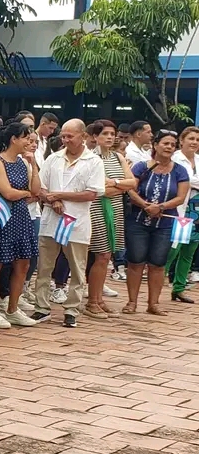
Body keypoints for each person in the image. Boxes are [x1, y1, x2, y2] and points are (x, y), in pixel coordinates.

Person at [29, 119, 104, 328]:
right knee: (44, 267)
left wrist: (59, 195)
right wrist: (52, 200)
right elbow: (40, 188)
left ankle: (71, 309)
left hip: (76, 222)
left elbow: (92, 193)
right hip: (51, 220)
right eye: (63, 136)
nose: (65, 140)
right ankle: (41, 307)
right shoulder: (53, 159)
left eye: (70, 136)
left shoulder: (93, 162)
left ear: (83, 137)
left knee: (77, 269)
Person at [124, 129, 189, 316]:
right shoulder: (141, 167)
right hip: (137, 220)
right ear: (155, 145)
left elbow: (181, 197)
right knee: (135, 261)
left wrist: (160, 207)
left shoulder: (179, 170)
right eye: (165, 143)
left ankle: (154, 303)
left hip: (165, 223)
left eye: (172, 144)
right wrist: (145, 205)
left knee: (158, 263)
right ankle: (131, 302)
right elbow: (131, 189)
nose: (169, 147)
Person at [0, 122, 41, 329]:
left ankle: (13, 308)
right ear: (13, 139)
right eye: (26, 137)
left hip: (22, 215)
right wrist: (28, 194)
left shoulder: (22, 162)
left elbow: (36, 188)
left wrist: (33, 165)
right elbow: (7, 192)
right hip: (3, 215)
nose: (29, 142)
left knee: (23, 262)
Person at [83, 120, 134, 318]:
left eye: (112, 134)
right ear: (95, 137)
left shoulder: (118, 157)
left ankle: (99, 299)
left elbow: (131, 182)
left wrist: (114, 183)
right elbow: (96, 189)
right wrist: (114, 189)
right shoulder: (89, 157)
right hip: (95, 209)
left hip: (115, 209)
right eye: (105, 133)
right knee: (100, 254)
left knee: (107, 255)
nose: (110, 137)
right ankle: (92, 301)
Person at [167, 126, 199, 303]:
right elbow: (185, 181)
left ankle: (179, 288)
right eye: (191, 138)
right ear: (182, 140)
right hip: (181, 211)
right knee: (172, 250)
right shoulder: (175, 159)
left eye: (197, 140)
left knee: (190, 250)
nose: (194, 142)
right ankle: (156, 287)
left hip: (197, 212)